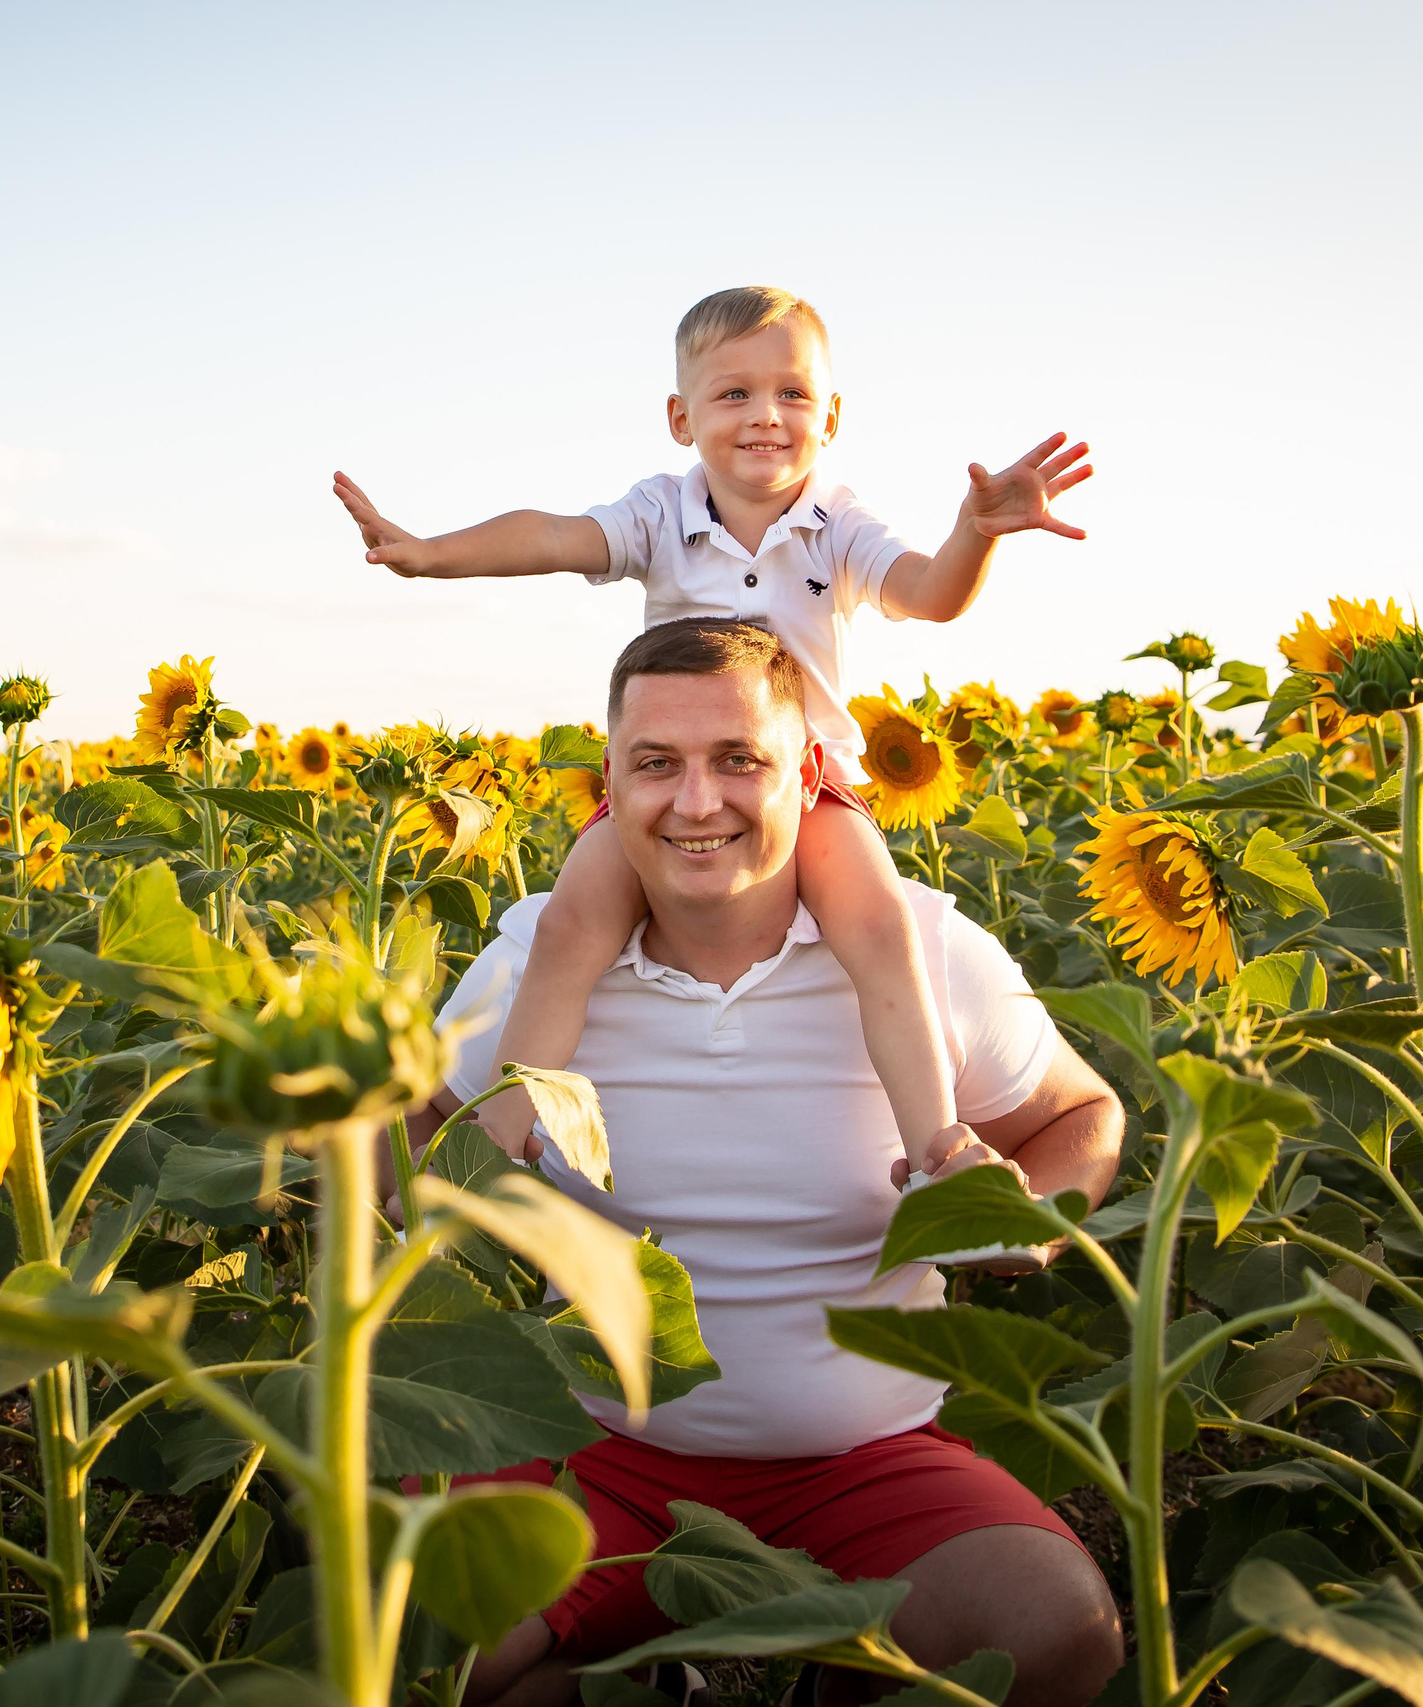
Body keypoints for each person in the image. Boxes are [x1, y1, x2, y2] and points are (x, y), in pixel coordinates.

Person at [406, 619, 1126, 1707]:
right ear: (609, 782)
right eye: (657, 765)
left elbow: (1081, 1112)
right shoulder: (538, 961)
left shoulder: (924, 956)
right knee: (430, 1656)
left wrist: (1024, 1211)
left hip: (862, 1461)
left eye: (739, 759)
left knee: (1052, 1632)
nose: (697, 804)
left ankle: (834, 1678)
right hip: (586, 1446)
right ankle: (642, 1683)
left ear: (810, 774)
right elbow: (419, 1132)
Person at [337, 285, 1092, 1189]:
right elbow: (553, 535)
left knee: (882, 927)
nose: (765, 416)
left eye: (792, 393)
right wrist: (431, 553)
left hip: (806, 784)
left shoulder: (837, 523)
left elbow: (929, 594)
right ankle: (499, 1137)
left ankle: (937, 1147)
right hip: (673, 780)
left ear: (832, 414)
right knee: (572, 921)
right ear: (680, 418)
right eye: (733, 394)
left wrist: (975, 533)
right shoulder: (660, 513)